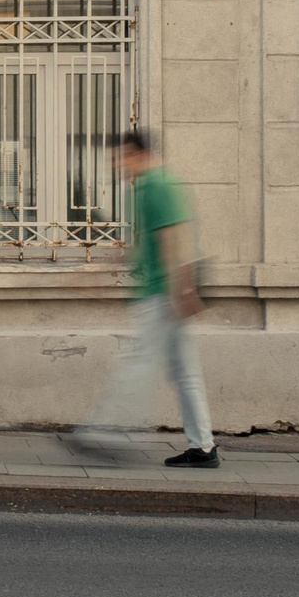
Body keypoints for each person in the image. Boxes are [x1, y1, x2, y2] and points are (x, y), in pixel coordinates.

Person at [70, 129, 221, 469]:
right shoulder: (151, 186)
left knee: (138, 363)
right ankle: (204, 447)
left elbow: (174, 238)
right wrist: (105, 269)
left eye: (121, 158)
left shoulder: (156, 186)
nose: (118, 165)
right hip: (167, 291)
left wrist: (180, 291)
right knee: (185, 373)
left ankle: (103, 431)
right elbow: (145, 245)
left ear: (138, 155)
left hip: (162, 293)